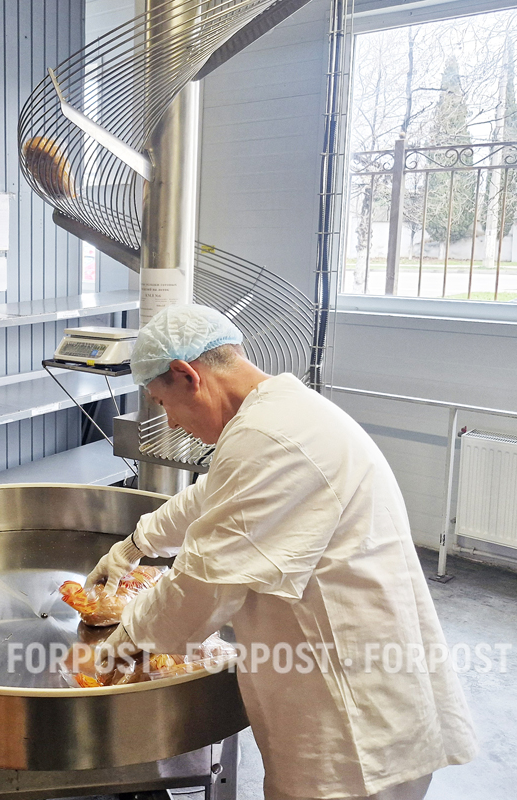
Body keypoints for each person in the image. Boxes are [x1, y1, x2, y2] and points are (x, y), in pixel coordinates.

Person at [87, 304, 476, 800]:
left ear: (187, 375)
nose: (172, 421)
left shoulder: (268, 438)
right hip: (353, 689)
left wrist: (128, 636)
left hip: (352, 727)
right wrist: (136, 544)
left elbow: (205, 585)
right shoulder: (282, 414)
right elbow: (212, 496)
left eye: (163, 404)